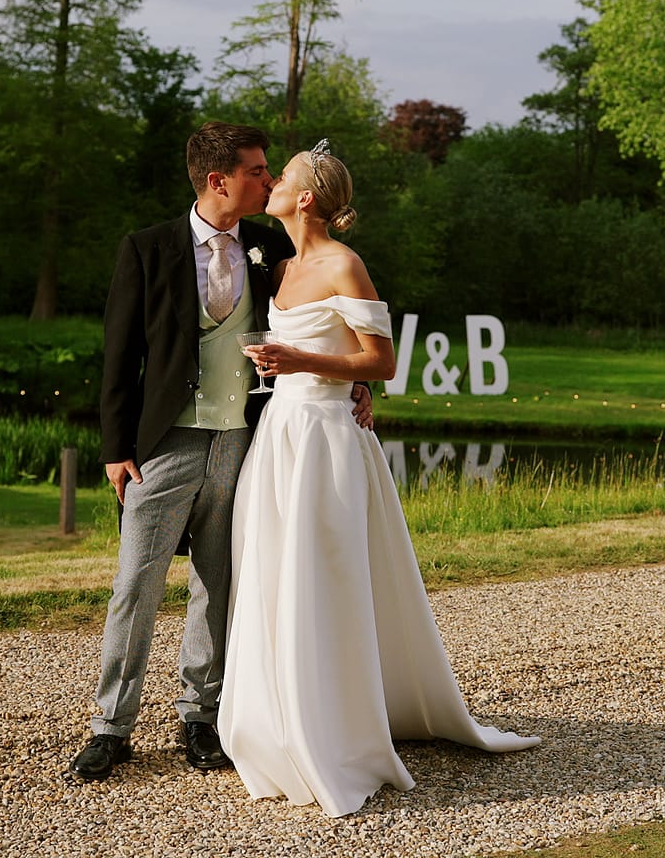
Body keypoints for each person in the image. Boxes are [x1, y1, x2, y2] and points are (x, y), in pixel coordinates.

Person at [217, 140, 540, 816]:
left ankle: (335, 725)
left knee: (324, 574)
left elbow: (381, 364)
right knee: (273, 571)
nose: (271, 181)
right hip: (280, 438)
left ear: (305, 198)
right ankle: (276, 714)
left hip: (328, 442)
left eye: (284, 177)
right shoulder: (274, 263)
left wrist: (298, 359)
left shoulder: (344, 265)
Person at [71, 122, 372, 782]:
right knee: (135, 585)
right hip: (163, 442)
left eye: (270, 172)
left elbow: (332, 315)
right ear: (219, 181)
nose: (267, 180)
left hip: (247, 439)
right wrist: (115, 449)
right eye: (257, 171)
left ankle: (200, 718)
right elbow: (119, 357)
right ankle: (111, 728)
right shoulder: (147, 249)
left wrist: (355, 384)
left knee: (220, 580)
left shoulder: (271, 246)